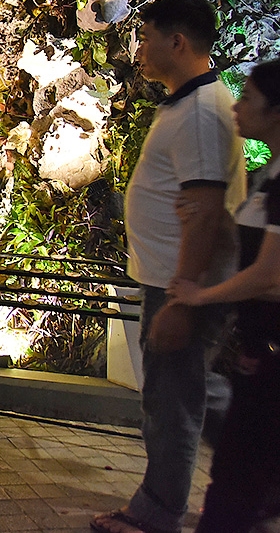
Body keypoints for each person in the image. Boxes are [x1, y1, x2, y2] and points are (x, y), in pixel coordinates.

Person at [91, 0, 246, 533]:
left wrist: (182, 297)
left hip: (181, 285)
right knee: (196, 396)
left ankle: (157, 513)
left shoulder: (201, 113)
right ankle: (259, 478)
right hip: (174, 281)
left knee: (172, 404)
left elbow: (204, 212)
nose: (138, 50)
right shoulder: (188, 105)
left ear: (176, 42)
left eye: (145, 38)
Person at [168, 60, 280, 533]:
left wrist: (200, 295)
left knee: (236, 478)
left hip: (270, 353)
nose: (236, 106)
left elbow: (268, 275)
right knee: (244, 473)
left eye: (249, 98)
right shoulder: (268, 174)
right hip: (258, 350)